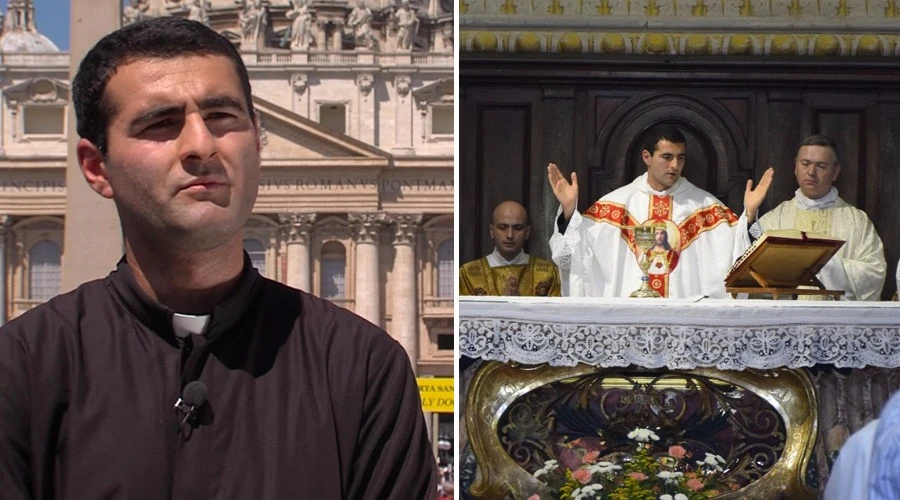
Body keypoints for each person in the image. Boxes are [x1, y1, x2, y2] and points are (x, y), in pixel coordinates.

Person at [0, 17, 437, 499]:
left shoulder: (366, 369)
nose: (201, 145)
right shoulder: (19, 368)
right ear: (96, 167)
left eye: (223, 117)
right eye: (160, 123)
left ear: (258, 142)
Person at [548, 124, 773, 298]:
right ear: (647, 157)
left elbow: (739, 256)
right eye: (667, 157)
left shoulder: (704, 207)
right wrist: (568, 213)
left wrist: (750, 215)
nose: (675, 165)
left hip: (684, 326)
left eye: (680, 158)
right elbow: (574, 258)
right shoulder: (616, 204)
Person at [752, 134, 886, 300]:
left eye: (821, 166)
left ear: (835, 171)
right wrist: (749, 215)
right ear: (795, 166)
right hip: (787, 319)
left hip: (836, 321)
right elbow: (751, 273)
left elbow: (874, 272)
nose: (811, 172)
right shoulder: (774, 220)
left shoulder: (857, 222)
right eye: (805, 164)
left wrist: (826, 266)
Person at [459, 200, 561, 297]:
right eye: (503, 227)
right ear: (491, 231)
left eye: (517, 228)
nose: (510, 235)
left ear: (527, 232)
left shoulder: (547, 272)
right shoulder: (468, 274)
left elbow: (556, 313)